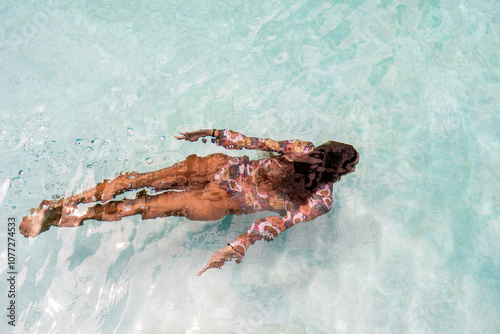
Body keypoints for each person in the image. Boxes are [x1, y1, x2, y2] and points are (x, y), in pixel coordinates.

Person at [20, 129, 359, 275]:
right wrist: (235, 247)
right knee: (139, 205)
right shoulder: (321, 201)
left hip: (218, 167)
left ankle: (65, 201)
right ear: (340, 174)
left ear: (322, 151)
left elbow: (252, 141)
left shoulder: (302, 148)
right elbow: (271, 225)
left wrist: (212, 133)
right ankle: (70, 219)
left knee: (140, 179)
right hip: (217, 201)